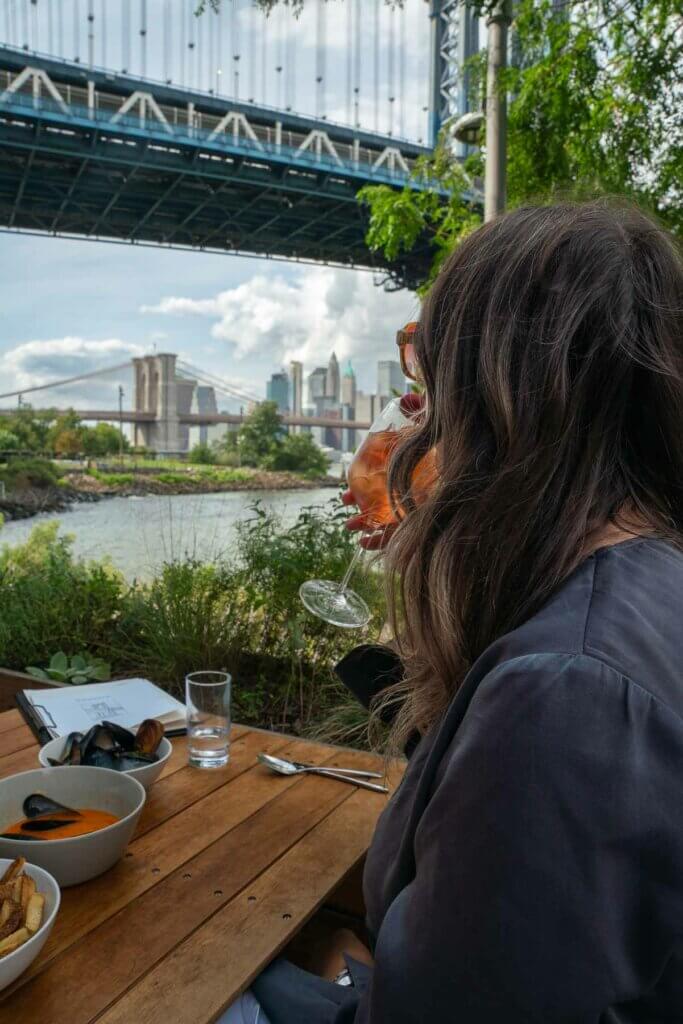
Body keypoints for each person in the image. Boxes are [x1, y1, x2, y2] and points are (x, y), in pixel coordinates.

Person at [221, 200, 683, 1023]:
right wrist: (449, 575)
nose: (413, 426)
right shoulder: (643, 587)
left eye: (426, 386)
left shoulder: (564, 695)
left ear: (501, 400)